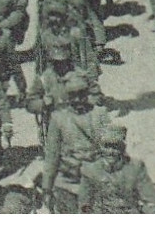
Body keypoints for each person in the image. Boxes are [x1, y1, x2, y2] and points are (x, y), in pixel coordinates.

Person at [42, 71, 111, 213]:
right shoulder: (58, 118)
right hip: (68, 180)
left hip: (95, 180)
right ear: (67, 96)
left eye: (82, 93)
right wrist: (47, 189)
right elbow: (52, 156)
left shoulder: (100, 114)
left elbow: (112, 149)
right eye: (73, 95)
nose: (78, 99)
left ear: (87, 93)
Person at [78, 125, 155, 214]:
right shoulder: (90, 170)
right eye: (106, 146)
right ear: (100, 148)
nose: (110, 151)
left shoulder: (135, 167)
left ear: (122, 148)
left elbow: (150, 201)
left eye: (115, 147)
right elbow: (84, 206)